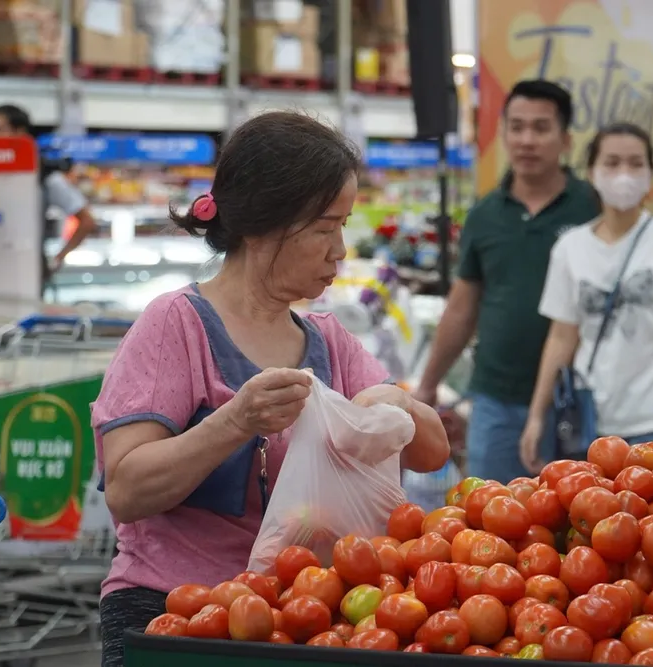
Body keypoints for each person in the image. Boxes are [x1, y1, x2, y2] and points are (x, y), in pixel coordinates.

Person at [92, 111, 450, 667]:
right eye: (327, 228)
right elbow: (127, 488)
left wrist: (397, 403)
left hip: (307, 617)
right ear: (267, 225)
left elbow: (433, 453)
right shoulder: (175, 325)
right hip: (177, 613)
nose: (341, 251)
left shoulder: (328, 340)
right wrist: (235, 421)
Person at [414, 80, 600, 483]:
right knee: (490, 521)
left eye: (540, 128)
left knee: (582, 524)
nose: (526, 140)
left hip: (577, 400)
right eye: (516, 127)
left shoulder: (593, 208)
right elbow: (462, 308)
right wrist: (427, 385)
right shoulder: (485, 215)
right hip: (496, 398)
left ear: (565, 139)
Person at [519, 122, 653, 474]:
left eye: (635, 163)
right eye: (612, 163)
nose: (624, 174)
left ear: (651, 174)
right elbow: (561, 336)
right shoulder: (571, 248)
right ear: (592, 172)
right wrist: (537, 415)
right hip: (590, 424)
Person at [0, 104, 98, 296]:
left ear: (19, 132)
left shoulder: (45, 177)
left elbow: (87, 221)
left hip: (28, 272)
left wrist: (58, 258)